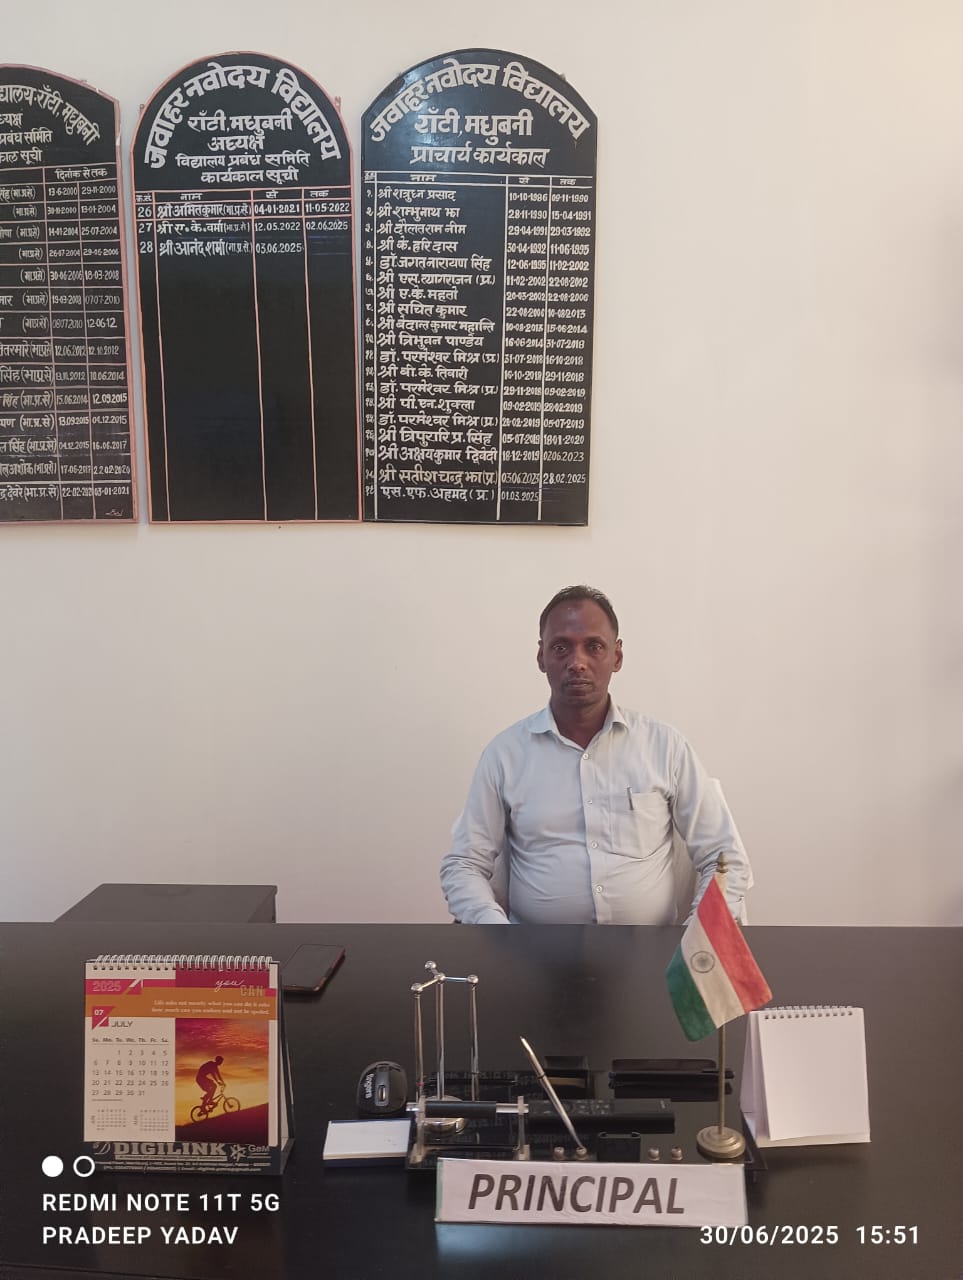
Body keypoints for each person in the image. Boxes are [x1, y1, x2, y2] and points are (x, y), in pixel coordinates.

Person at [440, 585, 752, 925]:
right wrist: (497, 932)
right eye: (561, 647)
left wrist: (698, 938)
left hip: (649, 952)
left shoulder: (665, 747)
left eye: (594, 646)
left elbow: (724, 857)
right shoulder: (505, 755)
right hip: (532, 951)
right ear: (542, 657)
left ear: (616, 656)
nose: (577, 662)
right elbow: (464, 864)